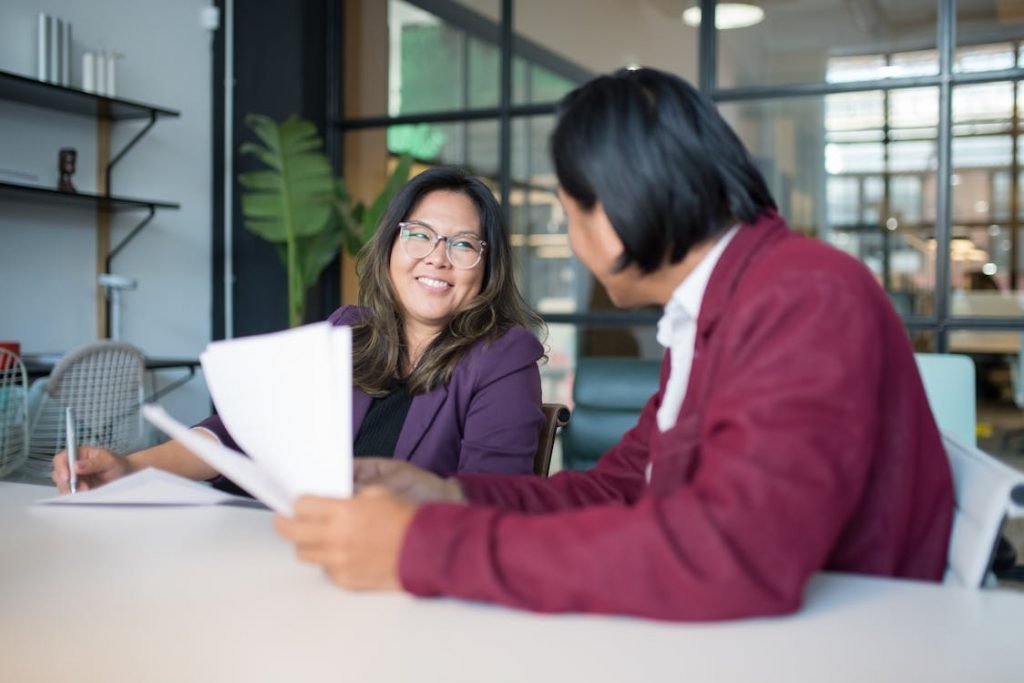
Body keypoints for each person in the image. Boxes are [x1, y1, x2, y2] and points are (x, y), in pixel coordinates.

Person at [274, 68, 954, 621]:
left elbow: (732, 556)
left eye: (570, 214)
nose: (572, 241)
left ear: (618, 214)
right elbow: (618, 489)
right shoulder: (715, 309)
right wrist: (446, 495)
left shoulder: (804, 296)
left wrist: (420, 546)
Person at [52, 166, 546, 493]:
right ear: (391, 245)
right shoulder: (348, 332)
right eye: (419, 235)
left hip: (404, 574)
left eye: (463, 245)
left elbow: (491, 497)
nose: (436, 257)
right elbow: (239, 433)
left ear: (486, 267)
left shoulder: (503, 356)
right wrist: (132, 469)